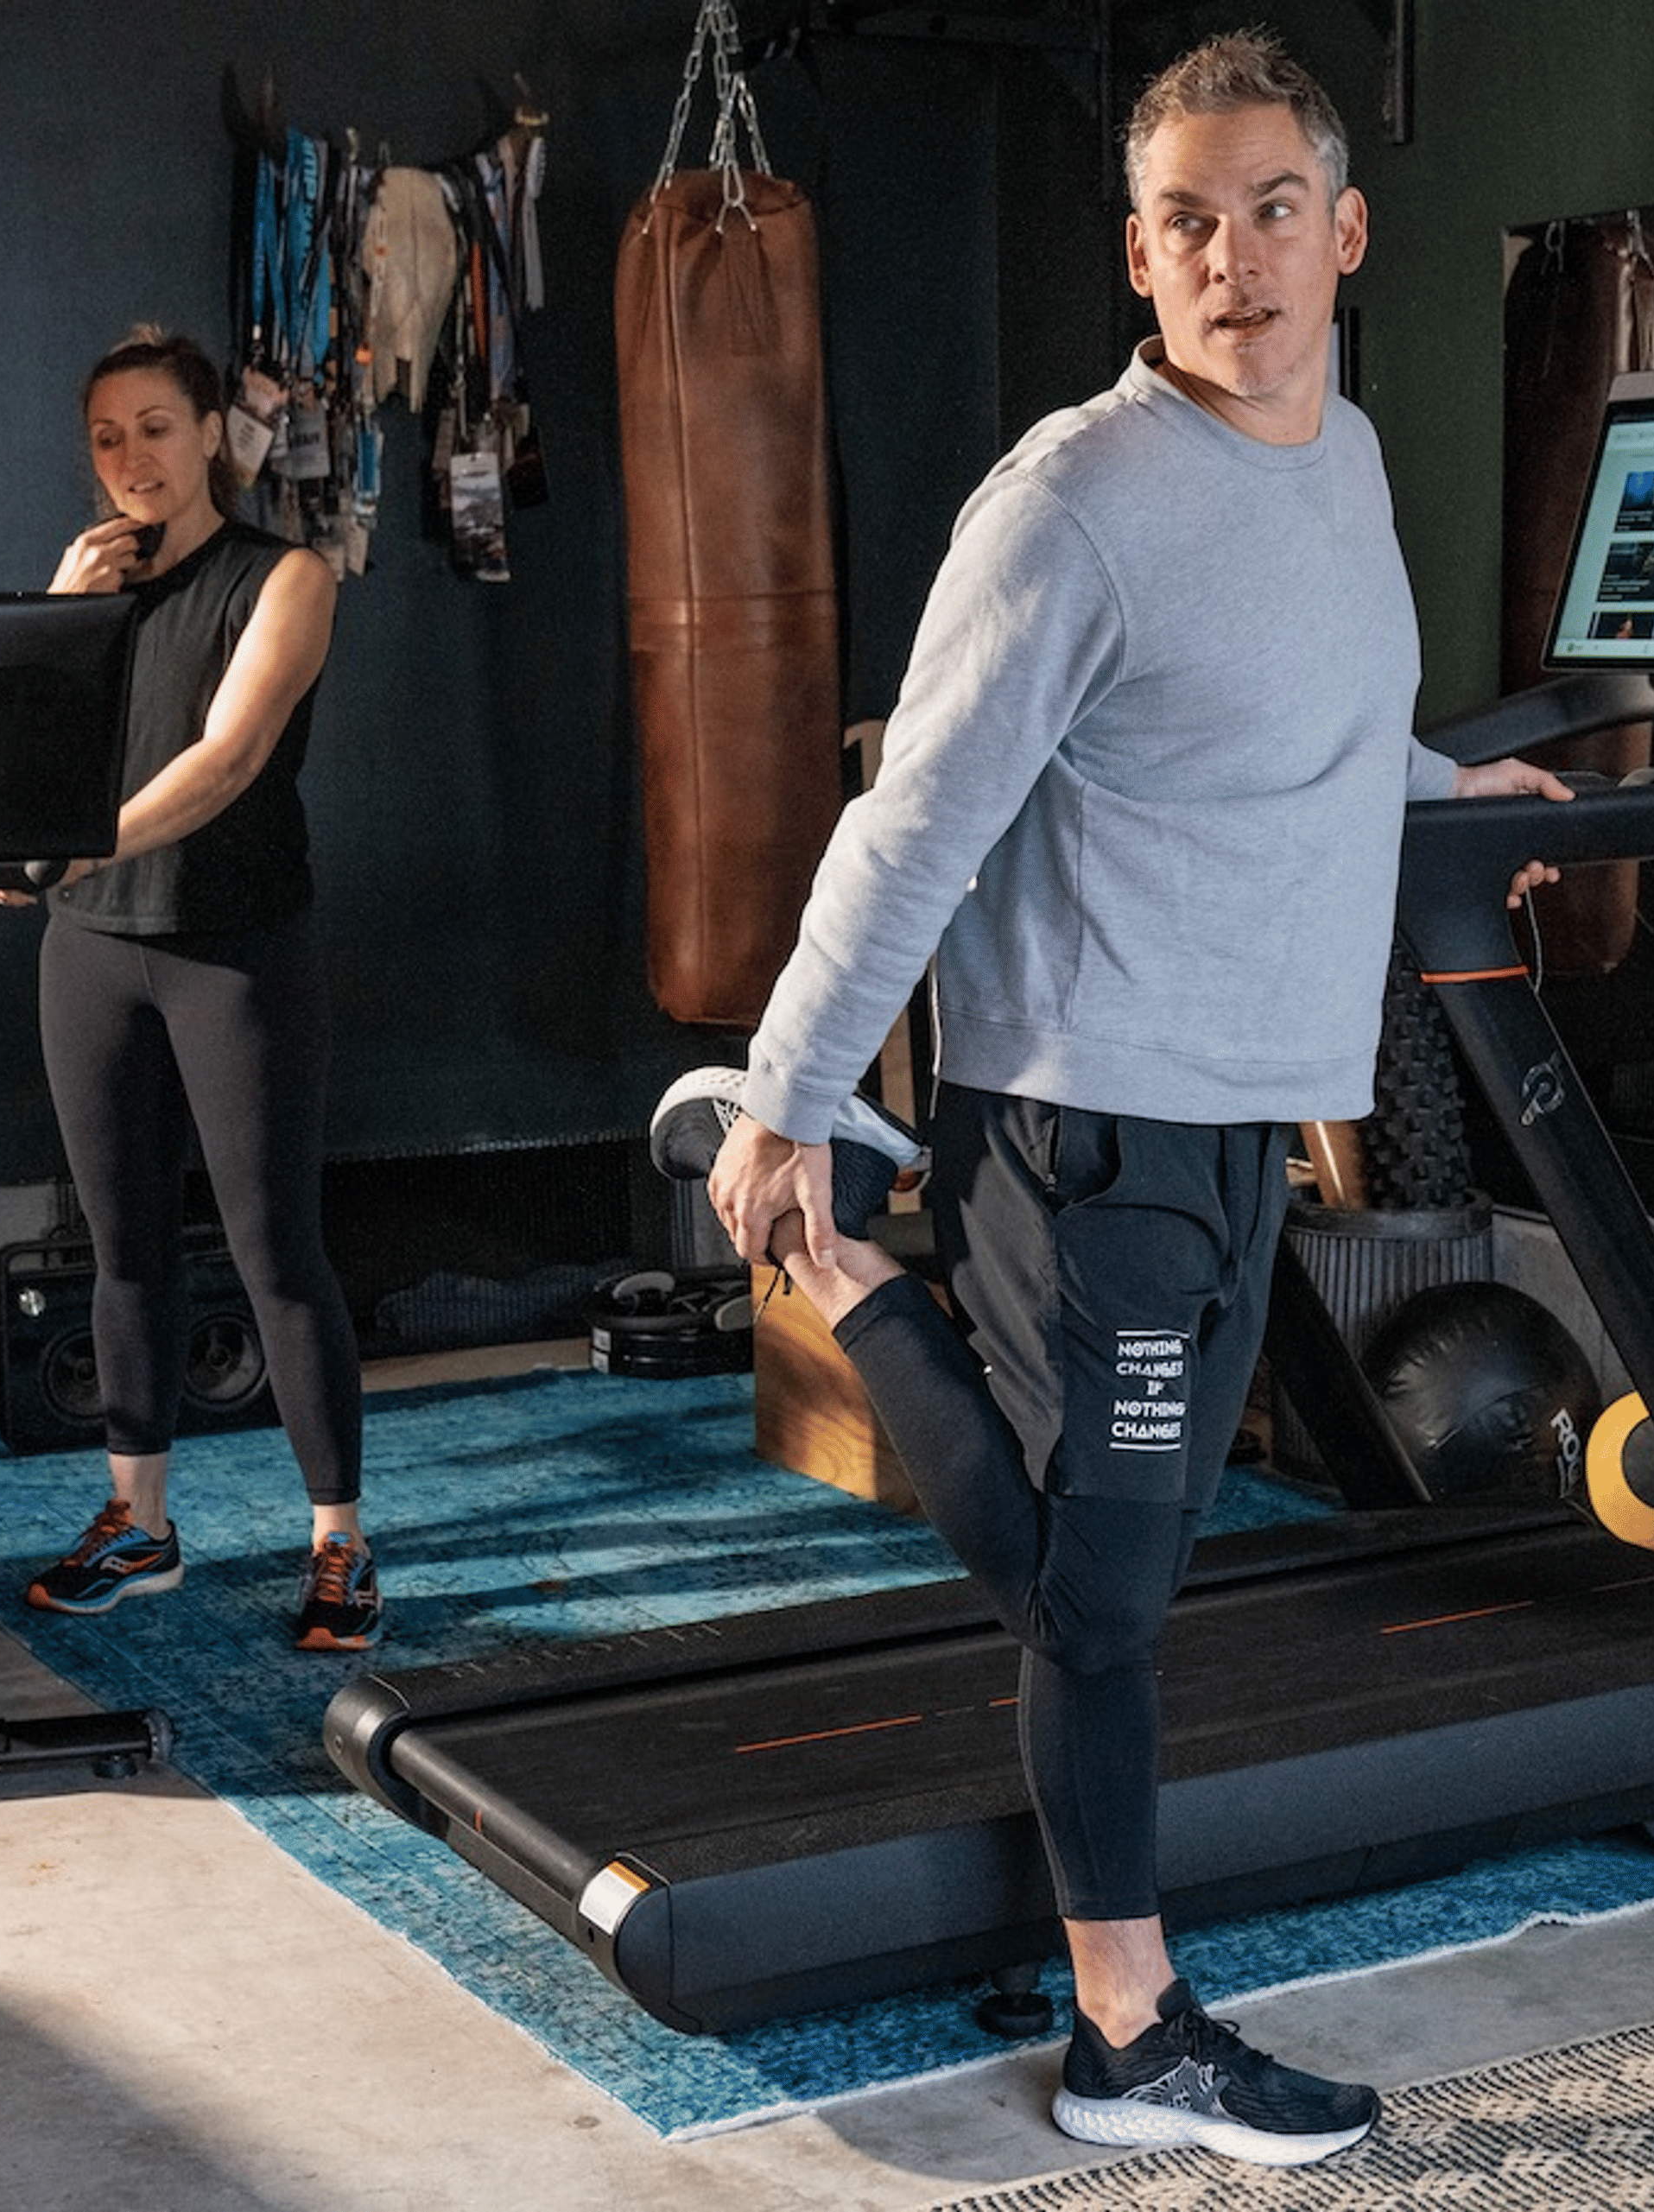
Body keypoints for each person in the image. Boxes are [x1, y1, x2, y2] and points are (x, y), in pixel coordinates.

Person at [677, 29, 1564, 2169]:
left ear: (1344, 234)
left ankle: (856, 1281)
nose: (1235, 259)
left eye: (1274, 210)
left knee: (1112, 1562)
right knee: (1110, 1599)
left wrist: (1451, 788)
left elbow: (1302, 727)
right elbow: (912, 826)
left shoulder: (1338, 450)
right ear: (1137, 257)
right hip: (1095, 1110)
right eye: (1187, 220)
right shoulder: (1076, 504)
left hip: (1253, 1098)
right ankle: (1130, 2029)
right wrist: (793, 1090)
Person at [7, 327, 378, 1654]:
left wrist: (74, 841)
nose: (131, 459)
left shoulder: (287, 576)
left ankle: (339, 1544)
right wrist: (59, 612)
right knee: (123, 1254)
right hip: (91, 950)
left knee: (278, 1256)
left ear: (212, 429)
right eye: (107, 437)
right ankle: (140, 1523)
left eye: (156, 427)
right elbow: (23, 752)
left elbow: (226, 760)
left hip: (236, 949)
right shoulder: (92, 588)